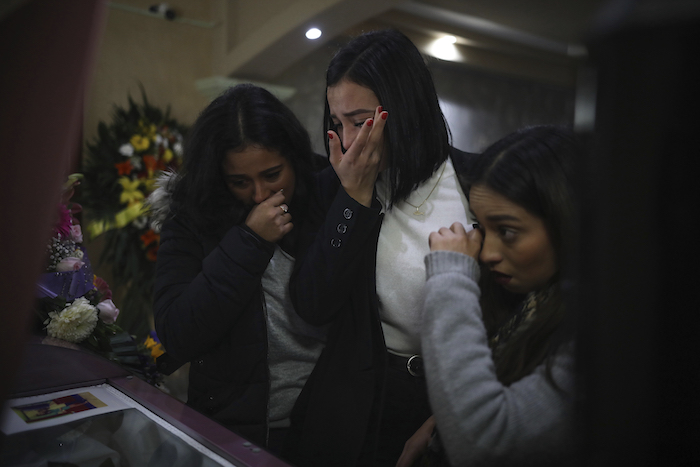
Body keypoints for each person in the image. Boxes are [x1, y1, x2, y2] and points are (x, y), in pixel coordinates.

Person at [284, 29, 478, 466]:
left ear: (403, 109)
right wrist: (354, 197)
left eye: (361, 120)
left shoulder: (474, 182)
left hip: (448, 397)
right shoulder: (331, 188)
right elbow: (312, 304)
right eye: (338, 124)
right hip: (354, 401)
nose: (349, 141)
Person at [151, 84, 328, 454]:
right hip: (233, 433)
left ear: (294, 159)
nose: (260, 194)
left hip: (324, 428)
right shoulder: (191, 215)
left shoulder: (329, 194)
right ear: (218, 177)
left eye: (273, 174)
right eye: (240, 182)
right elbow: (178, 333)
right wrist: (250, 241)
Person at [418, 125, 579, 466]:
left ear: (567, 222)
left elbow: (484, 444)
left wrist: (449, 274)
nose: (487, 252)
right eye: (482, 227)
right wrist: (442, 426)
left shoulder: (597, 334)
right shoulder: (529, 301)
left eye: (507, 231)